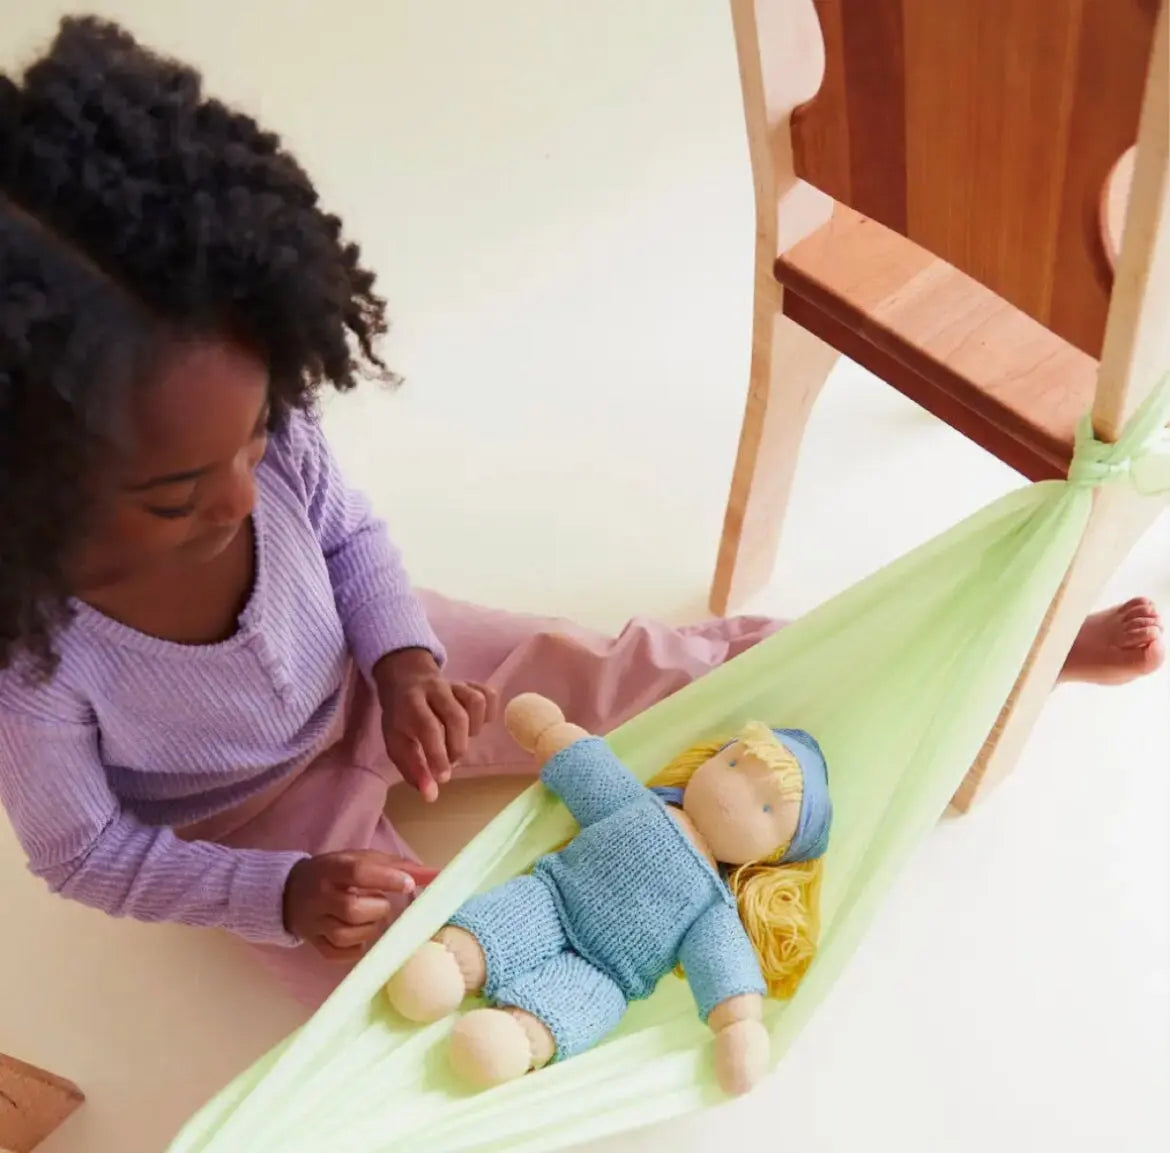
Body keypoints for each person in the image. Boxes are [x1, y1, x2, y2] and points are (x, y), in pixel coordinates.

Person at [0, 18, 1162, 1012]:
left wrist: (404, 661)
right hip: (248, 820)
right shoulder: (32, 657)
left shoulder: (244, 418)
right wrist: (278, 893)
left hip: (378, 670)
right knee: (406, 990)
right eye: (175, 495)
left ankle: (992, 654)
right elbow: (87, 850)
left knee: (646, 669)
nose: (240, 493)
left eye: (258, 436)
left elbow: (347, 538)